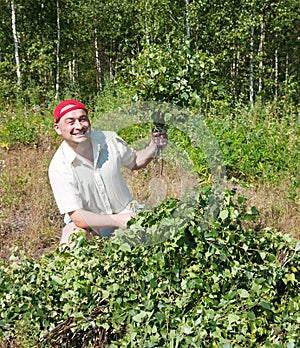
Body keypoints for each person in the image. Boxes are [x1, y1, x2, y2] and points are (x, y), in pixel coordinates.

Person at [48, 99, 167, 247]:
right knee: (72, 238)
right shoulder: (59, 166)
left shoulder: (109, 140)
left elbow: (134, 162)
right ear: (58, 128)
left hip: (127, 213)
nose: (78, 126)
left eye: (82, 119)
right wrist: (118, 220)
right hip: (92, 226)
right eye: (70, 122)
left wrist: (154, 146)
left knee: (164, 235)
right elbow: (78, 216)